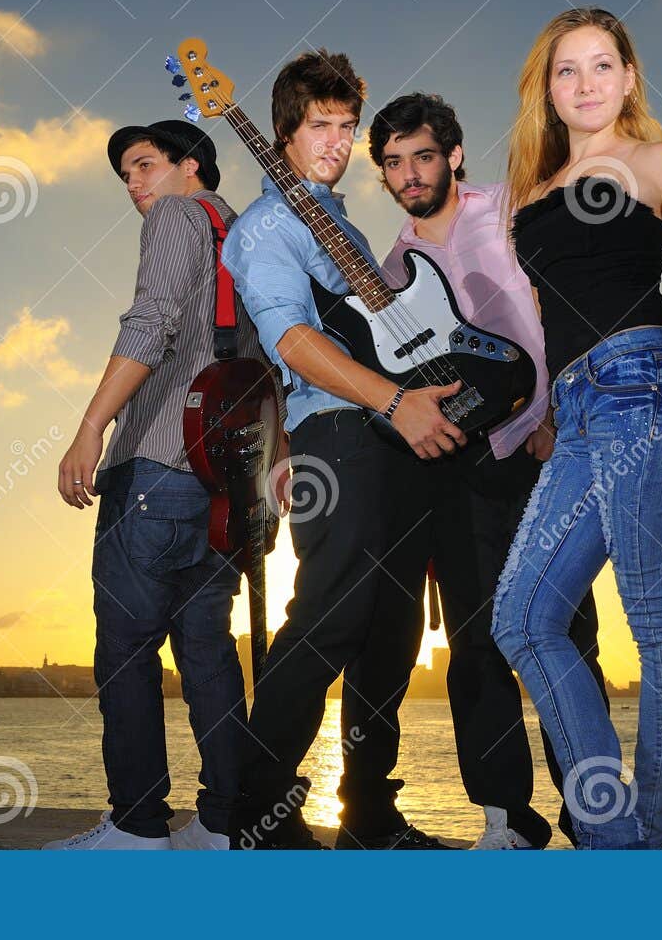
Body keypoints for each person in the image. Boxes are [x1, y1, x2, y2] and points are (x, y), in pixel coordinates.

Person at [492, 7, 662, 849]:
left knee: (658, 624)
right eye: (567, 69)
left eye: (602, 64)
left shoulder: (658, 162)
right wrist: (546, 414)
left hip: (651, 385)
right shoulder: (529, 195)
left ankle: (646, 839)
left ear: (629, 78)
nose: (586, 82)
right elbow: (547, 320)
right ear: (547, 88)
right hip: (577, 412)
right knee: (522, 617)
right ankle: (615, 834)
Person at [221, 50, 458, 849]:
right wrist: (391, 399)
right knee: (330, 614)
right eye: (320, 124)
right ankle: (256, 807)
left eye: (347, 125)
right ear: (284, 132)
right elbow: (291, 339)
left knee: (392, 628)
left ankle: (369, 813)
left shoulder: (342, 224)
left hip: (397, 434)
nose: (336, 140)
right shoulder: (263, 230)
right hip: (338, 432)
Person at [372, 91, 610, 849]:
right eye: (394, 163)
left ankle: (595, 813)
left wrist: (557, 416)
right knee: (475, 644)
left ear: (454, 155)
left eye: (422, 156)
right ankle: (508, 821)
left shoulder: (513, 208)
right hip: (460, 468)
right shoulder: (391, 270)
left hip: (545, 446)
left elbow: (567, 303)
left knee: (569, 634)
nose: (410, 174)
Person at [47, 120, 262, 851]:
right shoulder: (248, 233)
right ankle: (224, 825)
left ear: (190, 165)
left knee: (127, 652)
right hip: (226, 483)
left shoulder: (176, 215)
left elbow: (151, 322)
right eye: (126, 176)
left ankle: (138, 829)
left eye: (144, 165)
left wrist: (91, 427)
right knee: (206, 651)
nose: (135, 185)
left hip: (158, 466)